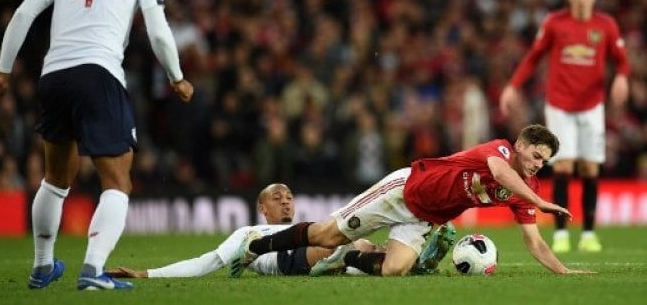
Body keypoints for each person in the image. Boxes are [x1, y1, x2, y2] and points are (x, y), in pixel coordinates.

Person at [0, 0, 194, 290]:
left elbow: (23, 14)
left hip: (53, 75)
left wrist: (2, 71)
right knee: (118, 181)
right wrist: (176, 77)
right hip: (98, 72)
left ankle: (42, 267)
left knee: (56, 178)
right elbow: (158, 29)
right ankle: (93, 270)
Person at [229, 124, 592, 277]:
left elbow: (534, 241)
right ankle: (256, 246)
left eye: (544, 162)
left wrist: (564, 271)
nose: (538, 165)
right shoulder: (498, 150)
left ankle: (348, 258)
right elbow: (499, 173)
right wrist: (539, 201)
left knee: (395, 270)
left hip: (424, 216)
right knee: (325, 235)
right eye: (536, 156)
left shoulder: (526, 188)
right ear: (521, 146)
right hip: (404, 191)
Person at [499, 0, 630, 253]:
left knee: (589, 168)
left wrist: (621, 77)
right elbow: (533, 56)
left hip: (592, 106)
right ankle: (560, 233)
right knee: (563, 166)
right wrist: (512, 86)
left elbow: (621, 61)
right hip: (559, 104)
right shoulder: (555, 23)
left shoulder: (605, 25)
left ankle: (588, 234)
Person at [105, 183, 382, 278]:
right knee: (335, 248)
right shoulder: (249, 231)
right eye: (277, 197)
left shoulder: (304, 230)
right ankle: (342, 259)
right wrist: (147, 273)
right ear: (263, 208)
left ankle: (391, 261)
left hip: (309, 252)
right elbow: (209, 261)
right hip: (285, 261)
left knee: (367, 247)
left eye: (288, 197)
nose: (285, 201)